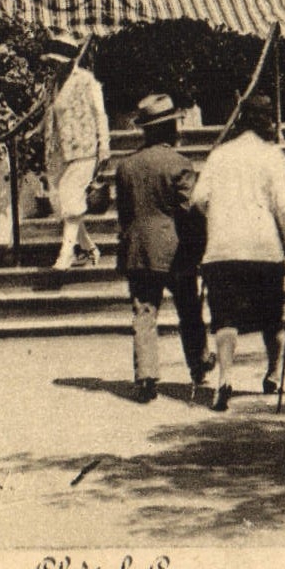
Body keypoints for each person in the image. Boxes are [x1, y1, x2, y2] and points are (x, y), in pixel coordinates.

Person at [191, 94, 285, 412]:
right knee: (272, 319)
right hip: (262, 248)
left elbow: (198, 199)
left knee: (224, 318)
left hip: (223, 249)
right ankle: (272, 376)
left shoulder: (219, 155)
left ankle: (224, 379)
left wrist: (218, 219)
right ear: (269, 122)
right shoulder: (272, 156)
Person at [114, 93, 211, 403]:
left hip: (138, 249)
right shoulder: (179, 164)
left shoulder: (125, 166)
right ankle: (198, 367)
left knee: (144, 312)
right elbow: (192, 210)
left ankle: (145, 378)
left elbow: (124, 214)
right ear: (169, 128)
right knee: (189, 309)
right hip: (176, 252)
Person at [42, 38, 110, 270]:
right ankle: (89, 248)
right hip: (59, 151)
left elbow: (100, 114)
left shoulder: (86, 81)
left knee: (71, 196)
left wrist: (104, 146)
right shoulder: (53, 83)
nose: (56, 66)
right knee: (62, 202)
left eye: (59, 62)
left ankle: (66, 252)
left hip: (84, 147)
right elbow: (49, 114)